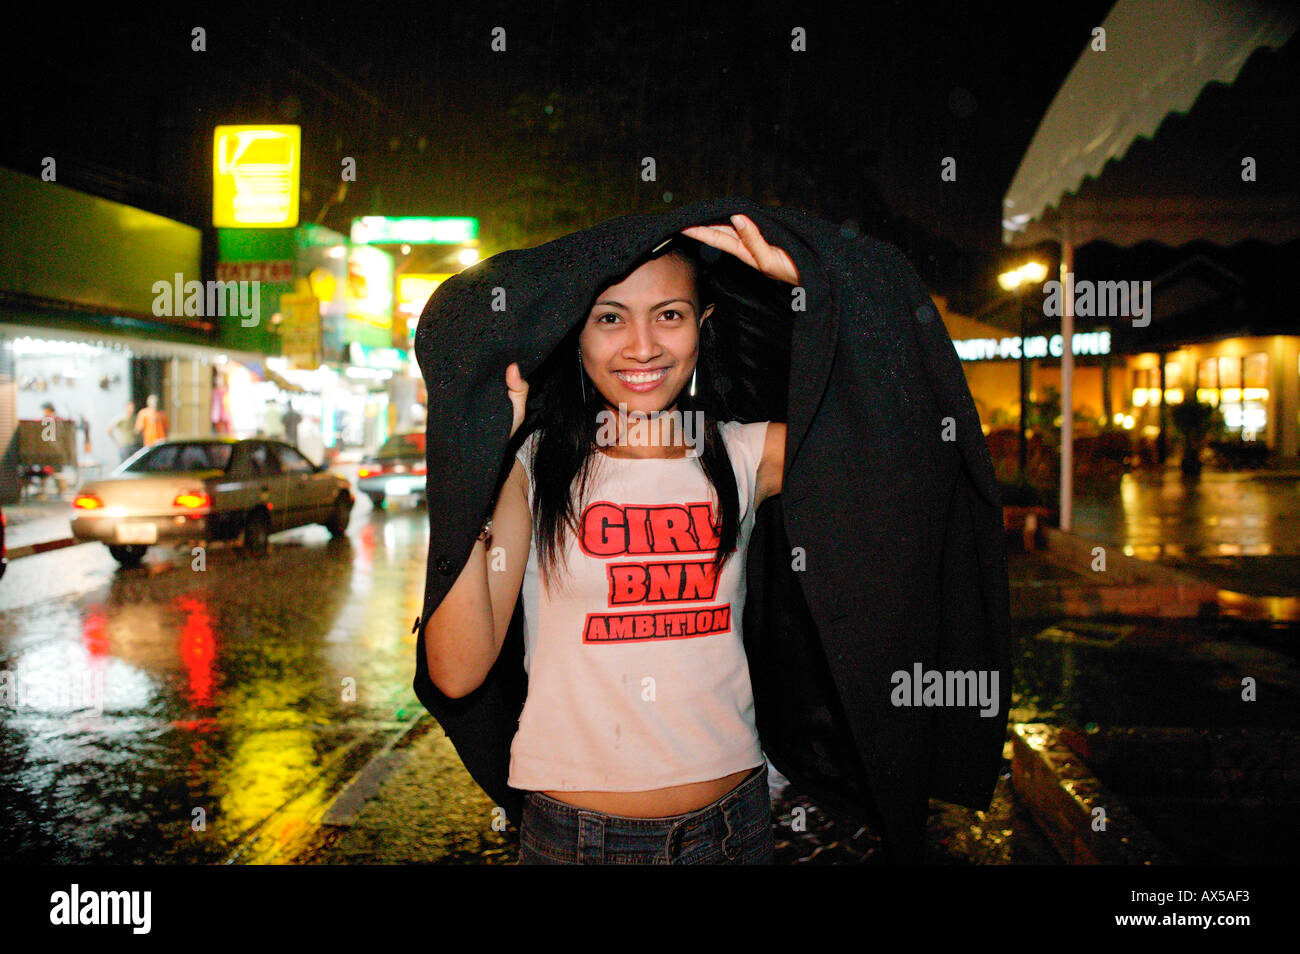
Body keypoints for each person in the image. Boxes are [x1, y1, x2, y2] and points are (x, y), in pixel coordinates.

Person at [423, 217, 798, 865]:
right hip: (580, 841)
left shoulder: (748, 451)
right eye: (611, 318)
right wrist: (477, 455)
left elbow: (890, 428)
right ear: (575, 334)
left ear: (703, 326)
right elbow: (458, 672)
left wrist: (805, 285)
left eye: (670, 315)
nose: (644, 346)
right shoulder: (533, 468)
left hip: (737, 829)